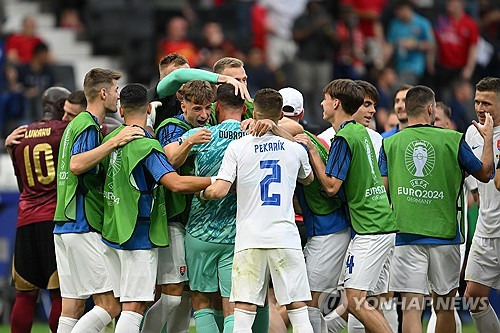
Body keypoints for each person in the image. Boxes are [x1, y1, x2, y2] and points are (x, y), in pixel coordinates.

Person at [380, 85, 493, 333]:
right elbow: (485, 173)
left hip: (405, 234)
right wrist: (487, 138)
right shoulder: (453, 139)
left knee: (411, 308)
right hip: (445, 236)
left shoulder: (389, 144)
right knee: (444, 307)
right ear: (431, 109)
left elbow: (382, 191)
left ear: (406, 110)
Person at [99, 84, 212, 332]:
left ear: (120, 110)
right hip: (138, 232)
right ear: (149, 108)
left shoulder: (109, 140)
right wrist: (216, 182)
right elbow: (175, 182)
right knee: (135, 305)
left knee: (114, 306)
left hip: (113, 230)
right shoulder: (146, 145)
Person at [203, 88, 315, 333]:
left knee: (244, 311)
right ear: (279, 114)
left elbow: (220, 190)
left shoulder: (238, 147)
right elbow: (308, 179)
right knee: (298, 309)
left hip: (250, 238)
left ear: (254, 112)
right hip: (285, 236)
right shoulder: (295, 149)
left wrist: (202, 192)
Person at [295, 79, 396, 333]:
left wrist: (314, 152)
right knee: (360, 300)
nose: (322, 104)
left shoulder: (343, 138)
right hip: (378, 224)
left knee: (354, 300)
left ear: (336, 103)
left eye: (325, 99)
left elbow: (331, 187)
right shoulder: (360, 132)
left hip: (371, 228)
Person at [53, 68, 145, 333]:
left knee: (72, 307)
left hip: (64, 224)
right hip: (82, 222)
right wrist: (114, 142)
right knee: (110, 305)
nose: (118, 97)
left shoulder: (75, 124)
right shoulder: (88, 125)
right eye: (116, 91)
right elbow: (77, 164)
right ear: (103, 92)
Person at [141, 79, 215, 333]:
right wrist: (190, 142)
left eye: (207, 108)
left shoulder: (212, 124)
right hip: (173, 218)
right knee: (172, 294)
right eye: (197, 108)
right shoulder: (172, 127)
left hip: (198, 220)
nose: (204, 115)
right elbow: (170, 159)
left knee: (186, 295)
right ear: (183, 104)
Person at [280, 87, 350, 333]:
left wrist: (267, 123)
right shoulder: (316, 141)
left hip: (328, 229)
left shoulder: (301, 141)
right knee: (312, 301)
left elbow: (292, 130)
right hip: (327, 228)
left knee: (309, 300)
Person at [4, 86, 71, 333]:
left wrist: (10, 149)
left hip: (25, 219)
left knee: (24, 295)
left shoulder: (21, 134)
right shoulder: (63, 131)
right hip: (53, 219)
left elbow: (22, 183)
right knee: (59, 294)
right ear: (63, 106)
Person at [464, 77, 500, 332]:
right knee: (473, 298)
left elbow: (497, 182)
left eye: (487, 102)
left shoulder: (485, 135)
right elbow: (475, 184)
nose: (480, 108)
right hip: (486, 229)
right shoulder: (471, 132)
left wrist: (488, 139)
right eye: (477, 101)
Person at [151, 53, 249, 128]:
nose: (184, 82)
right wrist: (224, 79)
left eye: (188, 76)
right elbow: (177, 76)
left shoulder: (209, 103)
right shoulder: (159, 98)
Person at [384, 0, 434, 85]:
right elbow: (390, 45)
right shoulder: (395, 24)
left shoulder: (422, 23)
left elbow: (431, 45)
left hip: (415, 66)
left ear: (407, 9)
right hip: (399, 65)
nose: (397, 13)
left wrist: (416, 45)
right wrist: (383, 64)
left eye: (399, 10)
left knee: (400, 87)